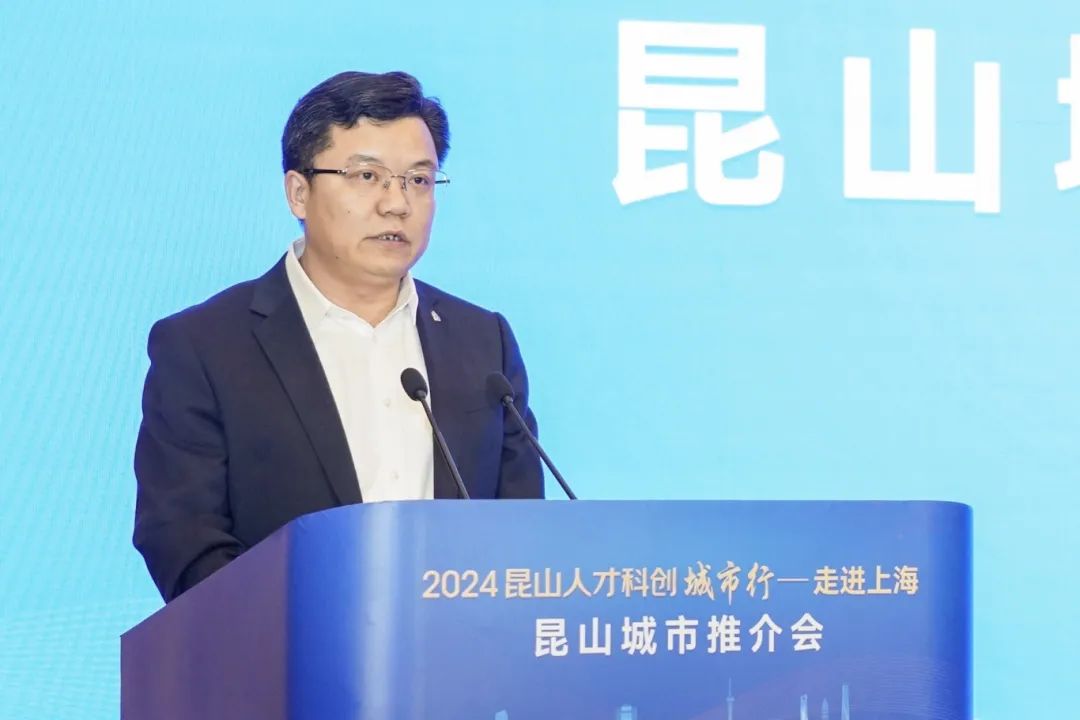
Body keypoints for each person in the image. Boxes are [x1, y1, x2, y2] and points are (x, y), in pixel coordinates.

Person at [133, 71, 544, 602]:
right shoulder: (204, 347)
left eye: (419, 180)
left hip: (464, 651)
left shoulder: (483, 342)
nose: (397, 203)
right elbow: (183, 542)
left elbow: (522, 535)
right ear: (298, 192)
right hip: (282, 650)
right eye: (367, 176)